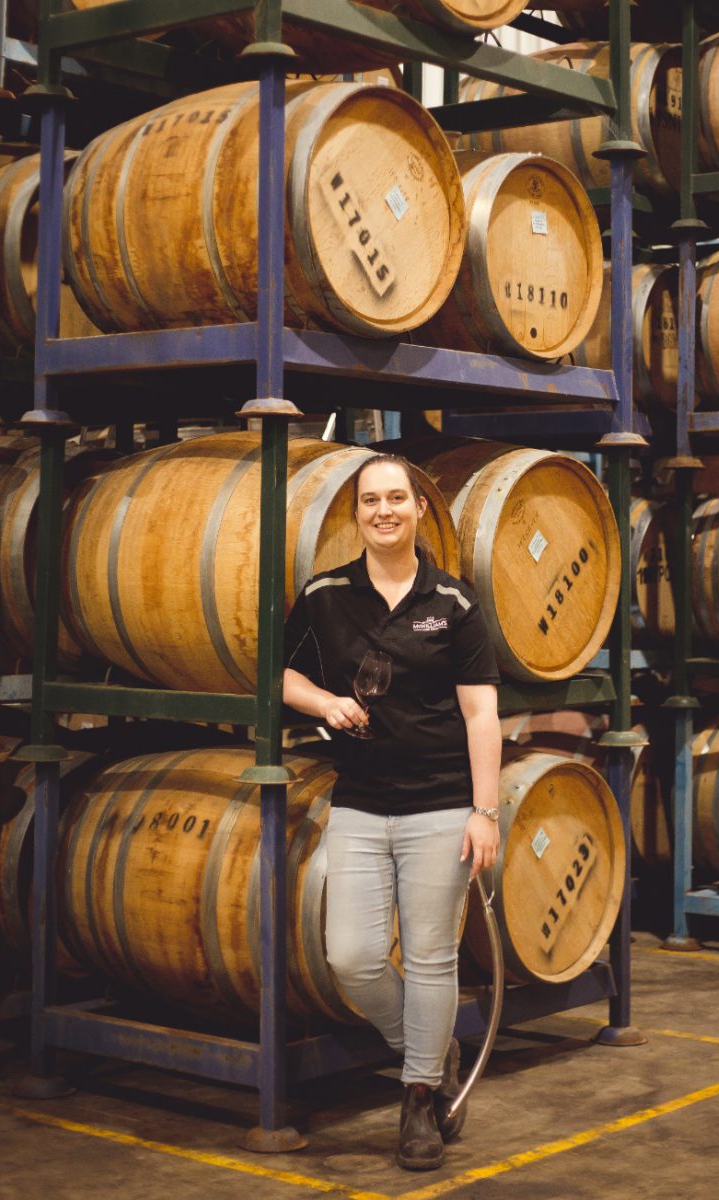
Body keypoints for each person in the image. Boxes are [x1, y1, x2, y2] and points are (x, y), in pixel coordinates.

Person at [283, 452, 502, 1171]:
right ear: (355, 515)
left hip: (440, 805)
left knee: (433, 957)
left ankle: (416, 1102)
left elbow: (479, 715)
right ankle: (431, 1052)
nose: (383, 511)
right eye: (370, 500)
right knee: (351, 955)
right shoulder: (323, 594)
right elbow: (279, 673)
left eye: (396, 499)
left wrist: (484, 812)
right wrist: (323, 701)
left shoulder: (454, 603)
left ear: (417, 510)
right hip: (359, 803)